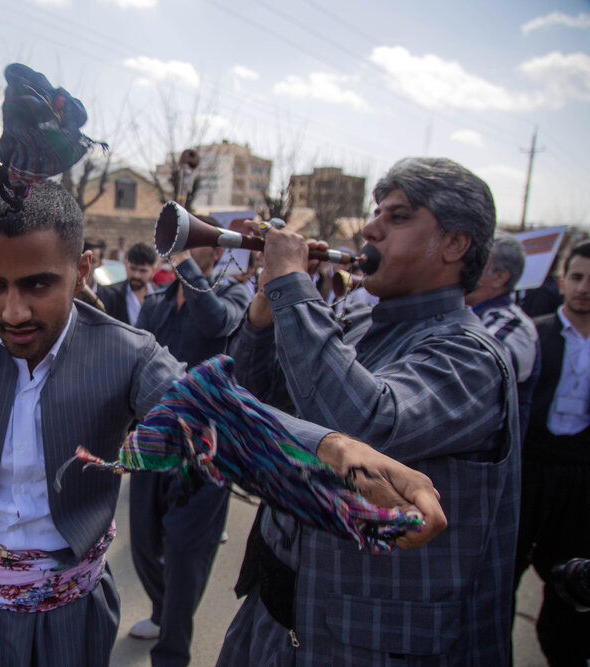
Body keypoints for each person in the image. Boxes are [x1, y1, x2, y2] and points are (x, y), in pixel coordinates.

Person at [0, 120, 446, 666]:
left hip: (68, 626)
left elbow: (210, 414)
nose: (13, 311)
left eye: (38, 284)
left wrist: (332, 451)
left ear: (83, 268)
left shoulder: (124, 351)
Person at [220, 157, 519, 665]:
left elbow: (363, 425)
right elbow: (249, 395)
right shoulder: (360, 324)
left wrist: (292, 281)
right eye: (376, 212)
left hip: (363, 646)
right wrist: (270, 300)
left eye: (398, 217)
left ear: (454, 244)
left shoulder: (472, 357)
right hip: (272, 621)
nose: (371, 229)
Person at [128, 241, 250, 665]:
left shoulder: (234, 296)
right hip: (153, 440)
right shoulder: (157, 301)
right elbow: (136, 359)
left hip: (208, 448)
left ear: (216, 254)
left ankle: (172, 652)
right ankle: (164, 612)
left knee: (184, 551)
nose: (185, 249)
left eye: (195, 243)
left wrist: (183, 262)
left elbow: (215, 322)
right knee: (143, 540)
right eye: (182, 243)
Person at [514, 240, 590, 665]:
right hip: (529, 470)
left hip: (579, 476)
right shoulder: (534, 334)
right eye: (576, 277)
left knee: (569, 582)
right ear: (562, 281)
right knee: (505, 572)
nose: (584, 288)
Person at [465, 235, 540, 434]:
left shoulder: (514, 325)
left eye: (476, 263)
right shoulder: (468, 313)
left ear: (499, 277)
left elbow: (475, 373)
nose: (463, 269)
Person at [98, 242, 157, 325]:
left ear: (153, 271)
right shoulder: (110, 295)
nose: (136, 275)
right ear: (126, 265)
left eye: (142, 271)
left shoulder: (161, 297)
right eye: (133, 269)